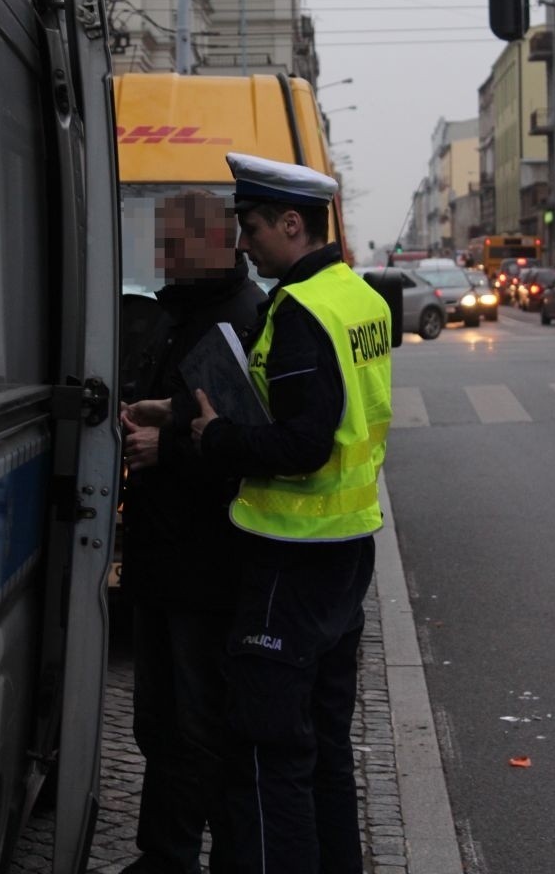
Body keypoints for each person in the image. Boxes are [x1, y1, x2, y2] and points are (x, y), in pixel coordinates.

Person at [185, 152, 393, 874]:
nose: (241, 243)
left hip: (291, 556)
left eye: (250, 227)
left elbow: (303, 442)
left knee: (273, 754)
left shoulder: (302, 310)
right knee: (325, 745)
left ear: (291, 223)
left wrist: (218, 436)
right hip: (345, 553)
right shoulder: (357, 296)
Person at [120, 190, 266, 874]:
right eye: (161, 242)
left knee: (196, 723)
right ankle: (166, 853)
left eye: (175, 243)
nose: (163, 256)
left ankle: (180, 857)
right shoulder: (177, 311)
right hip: (161, 554)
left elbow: (245, 444)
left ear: (218, 242)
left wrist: (163, 446)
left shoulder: (243, 318)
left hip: (206, 562)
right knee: (157, 720)